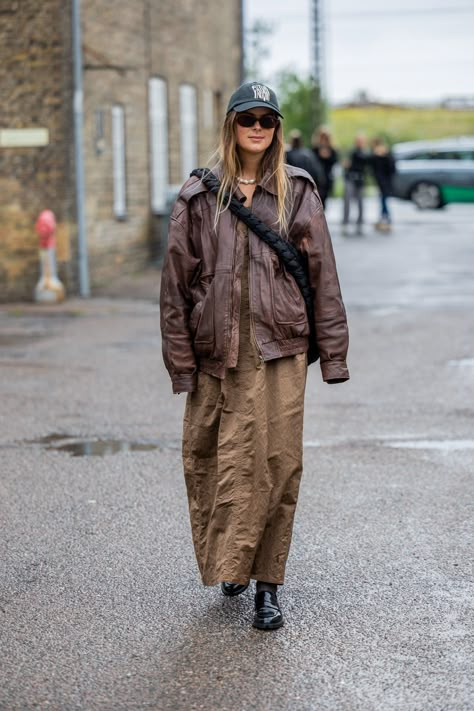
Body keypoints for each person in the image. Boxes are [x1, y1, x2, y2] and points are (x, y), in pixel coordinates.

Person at [160, 81, 349, 631]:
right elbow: (176, 287)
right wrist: (181, 362)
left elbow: (324, 276)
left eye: (268, 120)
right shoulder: (198, 196)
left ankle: (268, 584)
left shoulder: (298, 190)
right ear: (232, 125)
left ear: (277, 130)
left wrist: (333, 355)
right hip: (216, 352)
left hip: (280, 351)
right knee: (215, 461)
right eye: (249, 119)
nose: (258, 128)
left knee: (276, 465)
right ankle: (231, 563)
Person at [285, 128, 326, 197]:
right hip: (307, 186)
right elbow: (317, 171)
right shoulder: (308, 154)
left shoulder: (288, 154)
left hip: (294, 188)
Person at [368, 137, 396, 231]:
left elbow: (392, 168)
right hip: (381, 182)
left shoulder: (386, 154)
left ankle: (386, 219)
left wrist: (384, 156)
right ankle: (383, 219)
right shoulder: (376, 156)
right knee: (382, 200)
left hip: (385, 182)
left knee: (384, 201)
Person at [342, 133, 368, 236]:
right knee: (347, 202)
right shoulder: (352, 152)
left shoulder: (365, 154)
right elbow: (346, 164)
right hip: (350, 179)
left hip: (360, 181)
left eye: (362, 141)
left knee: (361, 203)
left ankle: (360, 224)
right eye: (359, 141)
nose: (360, 143)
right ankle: (345, 224)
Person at [311, 126, 339, 208]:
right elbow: (312, 160)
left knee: (324, 198)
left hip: (327, 176)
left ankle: (322, 215)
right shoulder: (315, 149)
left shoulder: (332, 149)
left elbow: (335, 161)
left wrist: (328, 156)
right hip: (317, 176)